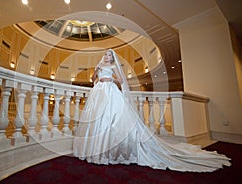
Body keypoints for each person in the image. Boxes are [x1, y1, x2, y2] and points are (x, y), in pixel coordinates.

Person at [73, 48, 231, 172]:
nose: (107, 56)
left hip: (111, 91)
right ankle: (97, 150)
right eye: (105, 54)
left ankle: (114, 150)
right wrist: (97, 75)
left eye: (109, 55)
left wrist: (110, 79)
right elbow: (92, 79)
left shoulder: (114, 66)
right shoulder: (99, 65)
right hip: (99, 92)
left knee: (112, 118)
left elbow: (121, 80)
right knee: (98, 119)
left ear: (112, 57)